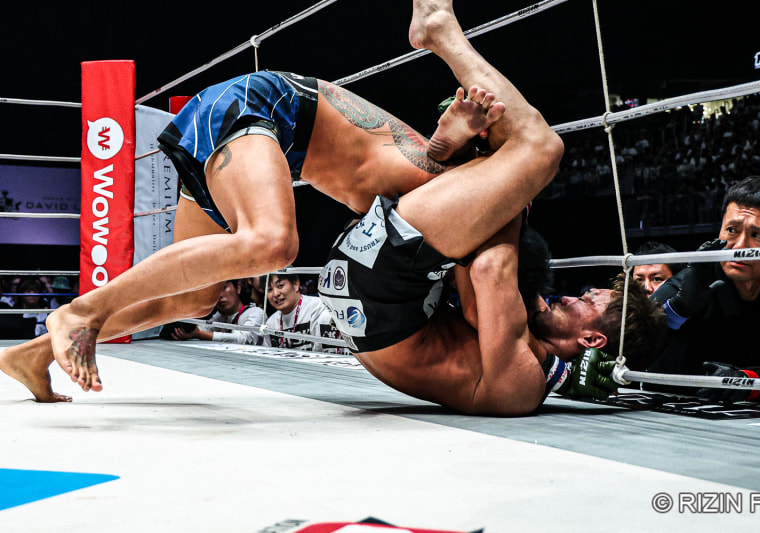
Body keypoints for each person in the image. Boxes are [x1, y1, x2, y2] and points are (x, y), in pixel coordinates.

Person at [0, 1, 498, 402]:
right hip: (259, 109)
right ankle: (81, 311)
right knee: (273, 243)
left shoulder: (431, 196)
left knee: (193, 301)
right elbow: (476, 285)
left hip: (259, 144)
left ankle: (35, 355)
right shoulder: (442, 184)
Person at [317, 0, 665, 416]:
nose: (571, 297)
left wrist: (513, 195)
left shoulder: (524, 384)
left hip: (386, 290)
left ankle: (442, 35)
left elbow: (487, 268)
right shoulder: (520, 347)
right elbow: (472, 295)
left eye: (587, 302)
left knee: (541, 150)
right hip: (365, 289)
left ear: (591, 340)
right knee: (477, 176)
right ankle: (460, 155)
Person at [650, 176, 760, 404]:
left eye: (758, 235)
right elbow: (629, 342)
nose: (739, 246)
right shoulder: (689, 282)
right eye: (731, 230)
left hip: (750, 418)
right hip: (665, 408)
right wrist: (676, 310)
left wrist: (743, 381)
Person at [170, 280, 264, 345]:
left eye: (224, 288)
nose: (219, 296)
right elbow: (204, 328)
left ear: (238, 288)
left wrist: (199, 334)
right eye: (214, 292)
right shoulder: (221, 316)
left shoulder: (256, 312)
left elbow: (244, 339)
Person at [263, 272, 339, 352]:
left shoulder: (317, 307)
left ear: (296, 284)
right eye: (269, 289)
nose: (275, 294)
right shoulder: (270, 323)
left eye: (280, 286)